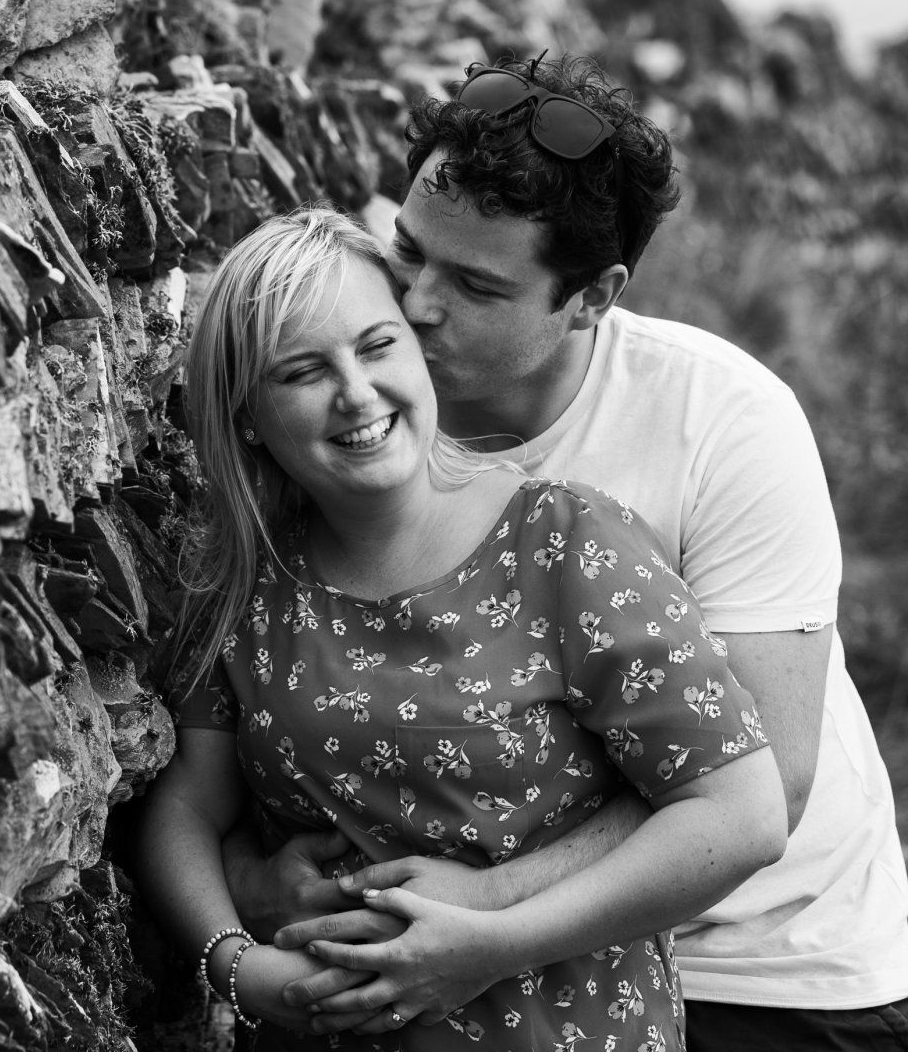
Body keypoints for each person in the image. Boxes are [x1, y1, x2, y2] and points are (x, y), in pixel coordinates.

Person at [239, 52, 908, 1050]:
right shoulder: (367, 411)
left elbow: (775, 775)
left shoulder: (721, 417)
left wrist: (496, 906)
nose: (417, 305)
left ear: (593, 296)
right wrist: (257, 882)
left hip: (766, 964)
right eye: (409, 251)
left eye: (473, 283)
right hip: (461, 968)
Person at [135, 207, 786, 1048]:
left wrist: (491, 943)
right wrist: (238, 966)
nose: (357, 394)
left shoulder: (565, 545)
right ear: (248, 414)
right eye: (302, 371)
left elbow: (741, 813)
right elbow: (185, 806)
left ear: (417, 348)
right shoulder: (246, 585)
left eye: (377, 346)